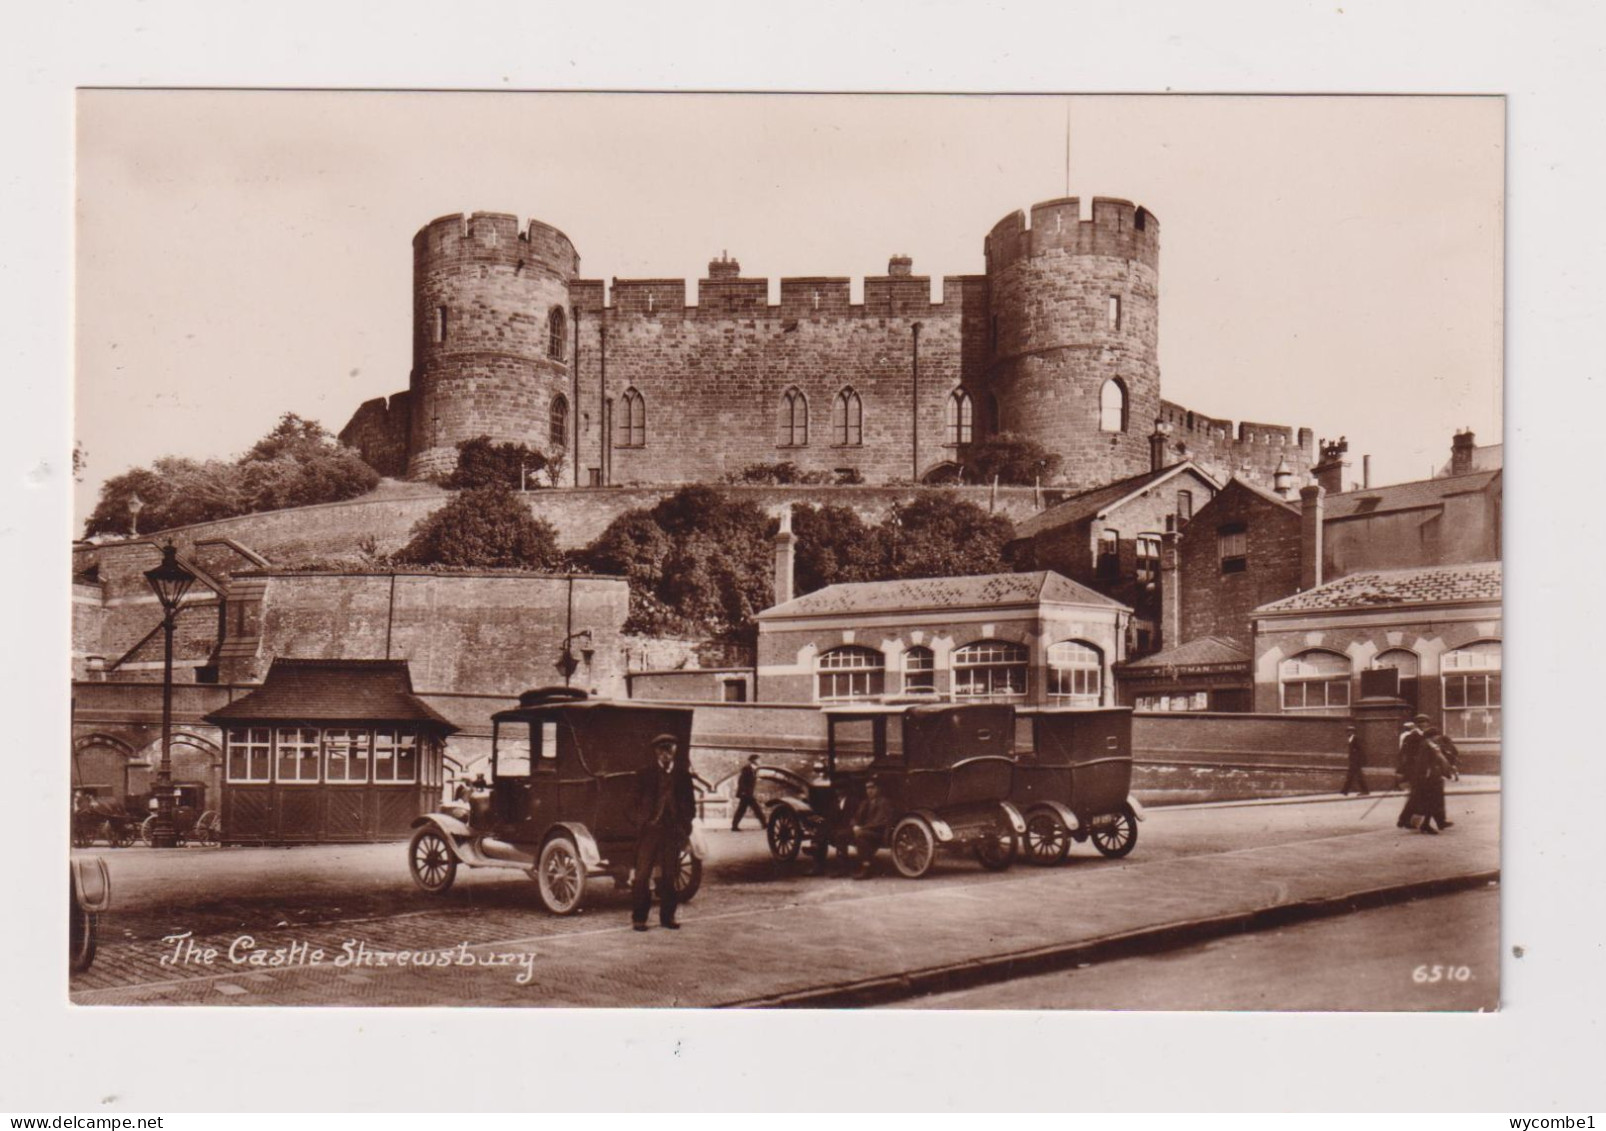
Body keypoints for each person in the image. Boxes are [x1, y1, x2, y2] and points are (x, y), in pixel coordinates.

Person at [631, 733, 695, 931]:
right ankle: (639, 919)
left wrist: (684, 826)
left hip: (672, 831)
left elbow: (690, 806)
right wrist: (640, 822)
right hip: (649, 831)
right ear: (656, 752)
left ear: (674, 751)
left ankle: (667, 918)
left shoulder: (683, 776)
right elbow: (631, 803)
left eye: (669, 750)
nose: (666, 754)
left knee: (669, 875)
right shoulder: (644, 774)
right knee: (642, 876)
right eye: (662, 750)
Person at [848, 779, 895, 879]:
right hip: (867, 830)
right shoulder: (865, 803)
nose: (869, 791)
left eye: (872, 787)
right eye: (867, 788)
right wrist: (855, 825)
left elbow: (880, 822)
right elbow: (855, 817)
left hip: (879, 833)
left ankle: (866, 868)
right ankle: (845, 865)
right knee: (846, 833)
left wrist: (862, 828)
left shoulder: (884, 802)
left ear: (878, 789)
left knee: (861, 836)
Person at [1395, 717, 1428, 830]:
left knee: (1416, 796)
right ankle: (1405, 820)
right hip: (1414, 770)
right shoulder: (1412, 736)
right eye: (1420, 723)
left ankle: (1406, 820)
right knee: (1416, 796)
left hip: (1421, 769)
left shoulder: (1424, 735)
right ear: (1416, 724)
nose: (1423, 724)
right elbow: (1406, 754)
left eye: (1425, 722)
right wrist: (1404, 770)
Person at [730, 754, 765, 832]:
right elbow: (741, 781)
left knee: (742, 809)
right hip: (746, 793)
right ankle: (765, 824)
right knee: (756, 809)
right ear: (754, 760)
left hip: (748, 793)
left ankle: (734, 826)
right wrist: (744, 792)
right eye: (758, 760)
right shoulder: (747, 769)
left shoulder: (754, 769)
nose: (760, 761)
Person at [1340, 724, 1369, 796]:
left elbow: (1360, 750)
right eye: (1347, 731)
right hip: (1353, 761)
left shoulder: (1356, 739)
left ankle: (1345, 791)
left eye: (1350, 731)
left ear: (1353, 732)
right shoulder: (1350, 739)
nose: (1348, 733)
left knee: (1353, 776)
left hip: (1355, 761)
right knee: (1354, 776)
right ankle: (1345, 791)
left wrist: (1358, 760)